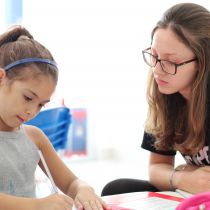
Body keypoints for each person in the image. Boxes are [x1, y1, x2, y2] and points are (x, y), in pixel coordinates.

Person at [101, 2, 210, 196]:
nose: (157, 69)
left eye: (172, 61)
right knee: (116, 189)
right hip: (193, 193)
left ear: (203, 62)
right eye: (154, 55)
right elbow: (156, 167)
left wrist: (188, 174)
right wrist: (183, 177)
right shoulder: (166, 96)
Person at [0, 25, 109, 210]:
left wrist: (83, 189)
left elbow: (70, 183)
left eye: (41, 104)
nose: (32, 112)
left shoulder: (35, 137)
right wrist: (36, 206)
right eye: (28, 98)